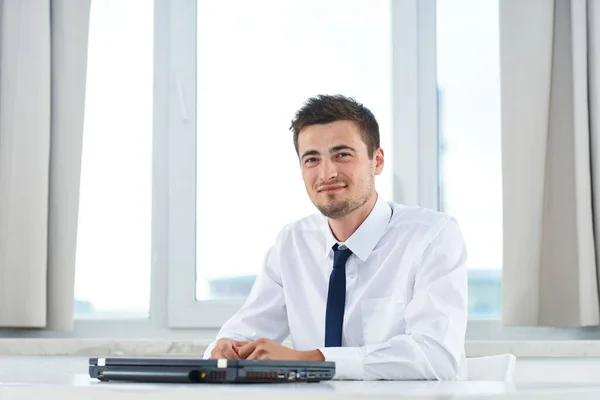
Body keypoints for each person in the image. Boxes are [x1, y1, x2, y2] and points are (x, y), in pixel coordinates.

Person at [203, 94, 468, 380]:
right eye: (312, 159)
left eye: (342, 154)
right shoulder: (292, 243)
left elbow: (438, 356)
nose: (327, 173)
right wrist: (224, 349)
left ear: (376, 161)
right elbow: (244, 331)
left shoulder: (432, 236)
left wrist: (313, 360)